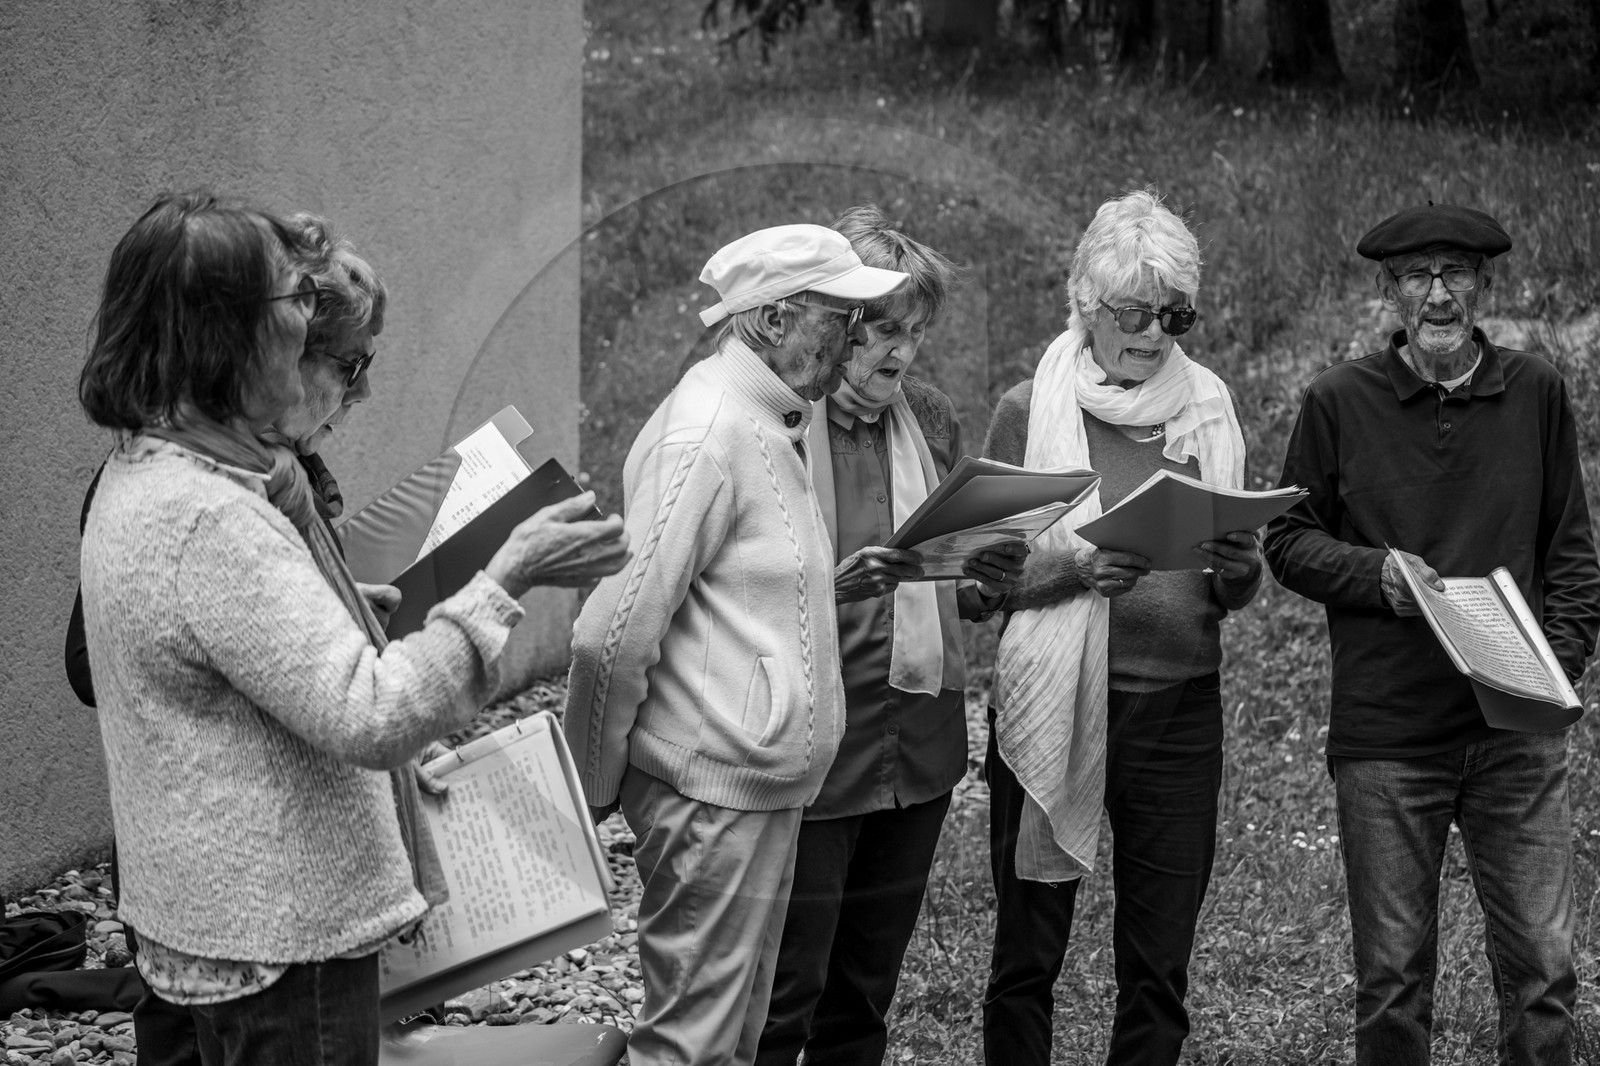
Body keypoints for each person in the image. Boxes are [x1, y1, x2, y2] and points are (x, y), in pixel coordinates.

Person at [76, 191, 630, 1066]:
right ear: (222, 339)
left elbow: (222, 664)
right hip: (281, 944)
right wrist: (507, 575)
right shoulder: (210, 518)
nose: (306, 339)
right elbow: (371, 716)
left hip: (217, 922)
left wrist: (319, 619)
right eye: (291, 315)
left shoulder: (150, 468)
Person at [564, 223, 909, 1066]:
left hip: (752, 787)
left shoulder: (769, 415)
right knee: (693, 1044)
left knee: (735, 1037)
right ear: (773, 321)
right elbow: (609, 633)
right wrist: (592, 786)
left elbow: (733, 596)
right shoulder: (711, 431)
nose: (859, 338)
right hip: (710, 794)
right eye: (843, 316)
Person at [1263, 204, 1600, 1066]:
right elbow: (1289, 541)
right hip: (1388, 735)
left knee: (1544, 976)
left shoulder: (1534, 393)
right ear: (1390, 290)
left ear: (1485, 286)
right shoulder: (1340, 400)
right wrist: (1375, 575)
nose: (1438, 293)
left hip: (1514, 736)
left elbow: (1571, 552)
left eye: (1455, 273)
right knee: (1392, 984)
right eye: (1418, 275)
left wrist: (1553, 673)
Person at [981, 188, 1262, 1066]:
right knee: (1029, 953)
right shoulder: (1029, 408)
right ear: (1085, 305)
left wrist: (1241, 568)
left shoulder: (1207, 406)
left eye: (1172, 313)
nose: (1152, 333)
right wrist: (1074, 568)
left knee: (1159, 962)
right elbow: (976, 585)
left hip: (1179, 710)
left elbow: (1234, 585)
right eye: (1132, 312)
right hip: (1057, 697)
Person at [754, 206, 1026, 1066]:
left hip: (915, 750)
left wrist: (985, 570)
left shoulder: (931, 418)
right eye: (876, 331)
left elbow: (941, 571)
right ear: (833, 324)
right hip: (808, 747)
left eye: (913, 332)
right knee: (781, 995)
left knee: (864, 996)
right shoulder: (771, 422)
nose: (895, 354)